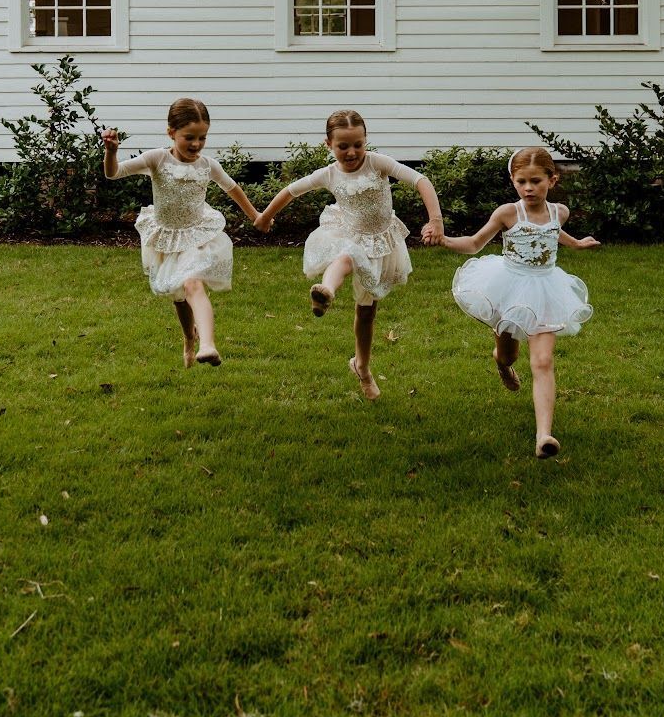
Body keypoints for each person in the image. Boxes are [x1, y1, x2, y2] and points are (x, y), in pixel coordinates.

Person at [254, 110, 444, 400]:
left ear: (366, 141)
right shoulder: (328, 174)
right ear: (328, 144)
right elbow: (291, 192)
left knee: (366, 313)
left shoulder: (378, 164)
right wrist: (266, 217)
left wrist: (435, 220)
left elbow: (421, 180)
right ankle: (325, 291)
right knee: (345, 257)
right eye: (343, 146)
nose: (352, 152)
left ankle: (362, 367)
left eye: (358, 144)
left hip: (380, 242)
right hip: (349, 234)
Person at [437, 145, 598, 457]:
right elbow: (473, 244)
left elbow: (553, 231)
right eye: (522, 181)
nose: (528, 188)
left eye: (536, 181)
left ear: (552, 180)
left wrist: (576, 243)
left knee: (542, 361)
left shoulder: (559, 212)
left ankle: (544, 436)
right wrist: (443, 239)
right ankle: (503, 365)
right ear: (513, 181)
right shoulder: (508, 213)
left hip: (547, 290)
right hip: (509, 288)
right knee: (507, 353)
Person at [102, 97, 258, 368]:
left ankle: (208, 345)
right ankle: (189, 338)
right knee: (179, 298)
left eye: (202, 138)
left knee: (193, 284)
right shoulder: (157, 159)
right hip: (167, 237)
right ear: (171, 133)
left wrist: (256, 215)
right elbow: (113, 173)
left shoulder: (208, 165)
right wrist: (111, 152)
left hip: (197, 235)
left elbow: (232, 188)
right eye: (189, 137)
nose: (196, 144)